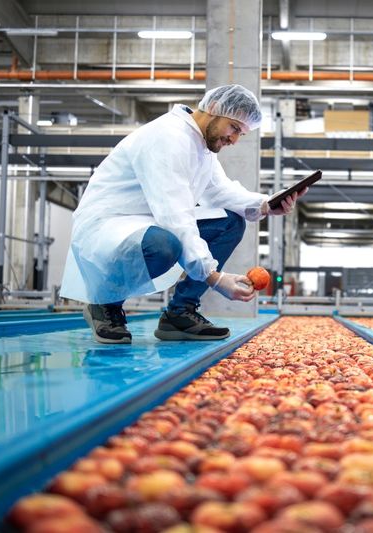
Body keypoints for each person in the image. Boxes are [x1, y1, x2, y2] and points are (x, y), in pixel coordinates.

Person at [60, 84, 303, 344]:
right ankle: (104, 301)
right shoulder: (168, 138)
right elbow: (175, 215)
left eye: (241, 133)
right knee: (164, 245)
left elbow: (219, 191)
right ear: (213, 108)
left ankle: (180, 312)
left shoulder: (200, 145)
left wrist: (266, 204)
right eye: (234, 128)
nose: (234, 140)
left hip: (150, 221)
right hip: (109, 226)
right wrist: (215, 278)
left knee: (230, 222)